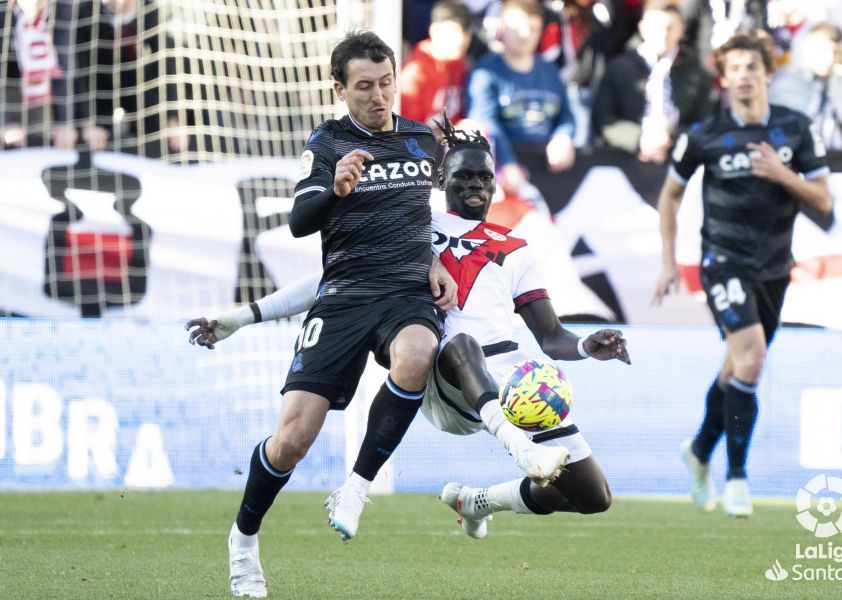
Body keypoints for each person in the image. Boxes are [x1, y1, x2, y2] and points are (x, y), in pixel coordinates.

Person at [188, 118, 631, 543]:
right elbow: (335, 280)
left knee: (593, 496)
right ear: (441, 180)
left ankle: (478, 502)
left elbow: (551, 336)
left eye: (484, 177)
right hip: (447, 373)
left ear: (496, 182)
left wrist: (587, 347)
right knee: (460, 343)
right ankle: (519, 448)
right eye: (463, 175)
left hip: (518, 384)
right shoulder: (416, 226)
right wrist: (246, 316)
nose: (475, 185)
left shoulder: (517, 248)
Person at [192, 31, 457, 598]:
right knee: (291, 441)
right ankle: (243, 539)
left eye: (386, 83)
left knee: (418, 354)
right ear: (339, 89)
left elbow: (427, 217)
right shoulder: (328, 142)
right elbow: (299, 221)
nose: (379, 96)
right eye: (364, 87)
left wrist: (436, 258)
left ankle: (356, 488)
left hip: (404, 295)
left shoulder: (420, 140)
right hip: (342, 297)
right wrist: (336, 188)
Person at [652, 33, 832, 517]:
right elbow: (669, 196)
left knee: (738, 366)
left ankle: (699, 450)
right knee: (750, 360)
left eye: (753, 66)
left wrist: (784, 175)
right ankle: (736, 478)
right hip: (723, 261)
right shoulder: (704, 135)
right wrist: (669, 261)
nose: (745, 75)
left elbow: (823, 203)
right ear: (724, 78)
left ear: (768, 74)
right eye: (736, 68)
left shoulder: (796, 130)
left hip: (775, 267)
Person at [466, 0, 576, 197]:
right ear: (501, 29)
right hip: (505, 169)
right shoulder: (485, 72)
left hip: (549, 166)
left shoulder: (549, 70)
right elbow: (485, 123)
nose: (525, 35)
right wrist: (506, 163)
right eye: (517, 27)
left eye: (533, 28)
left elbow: (566, 114)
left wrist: (563, 137)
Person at [592, 1, 714, 163]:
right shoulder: (619, 68)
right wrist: (639, 139)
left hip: (679, 159)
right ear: (643, 28)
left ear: (682, 30)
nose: (663, 34)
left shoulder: (697, 73)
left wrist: (670, 138)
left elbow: (704, 123)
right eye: (657, 28)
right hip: (625, 160)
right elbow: (603, 117)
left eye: (670, 28)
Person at [769, 21, 842, 163]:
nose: (829, 59)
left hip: (836, 166)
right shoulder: (781, 88)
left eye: (834, 52)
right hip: (793, 165)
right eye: (822, 51)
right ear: (806, 49)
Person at [399, 1, 472, 133]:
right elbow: (407, 131)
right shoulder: (415, 72)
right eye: (453, 32)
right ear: (434, 30)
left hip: (448, 141)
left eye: (465, 32)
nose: (461, 39)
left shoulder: (461, 65)